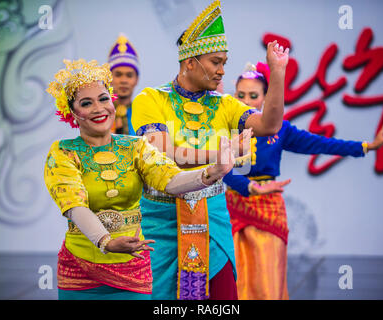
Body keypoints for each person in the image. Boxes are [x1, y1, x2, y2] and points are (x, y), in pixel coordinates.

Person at [131, 0, 289, 300]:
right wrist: (220, 154)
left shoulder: (224, 104)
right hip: (160, 222)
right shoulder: (150, 99)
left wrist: (277, 72)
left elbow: (268, 125)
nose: (221, 71)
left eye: (224, 63)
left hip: (211, 220)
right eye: (215, 62)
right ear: (190, 61)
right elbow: (162, 151)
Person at [44, 58, 235, 300]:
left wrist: (211, 173)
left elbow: (169, 179)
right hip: (82, 270)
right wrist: (106, 242)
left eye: (103, 99)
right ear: (72, 113)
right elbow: (74, 206)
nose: (99, 108)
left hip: (133, 268)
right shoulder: (63, 152)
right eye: (86, 103)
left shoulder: (136, 147)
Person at [223, 63, 383, 300]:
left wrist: (366, 147)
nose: (247, 101)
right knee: (235, 282)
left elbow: (322, 144)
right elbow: (224, 171)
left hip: (268, 211)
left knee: (267, 282)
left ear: (266, 98)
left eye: (254, 96)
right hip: (234, 210)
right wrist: (249, 187)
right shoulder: (227, 128)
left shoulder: (278, 129)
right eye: (240, 95)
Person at [108, 33, 139, 135]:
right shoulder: (100, 114)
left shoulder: (144, 113)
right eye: (118, 75)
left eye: (129, 75)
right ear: (109, 78)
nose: (124, 80)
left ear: (136, 79)